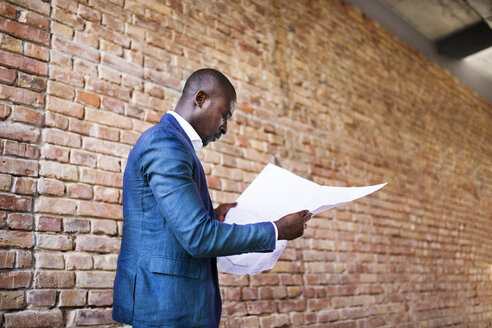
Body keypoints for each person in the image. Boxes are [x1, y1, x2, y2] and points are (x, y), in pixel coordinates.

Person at [112, 68, 312, 327]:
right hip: (162, 308)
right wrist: (276, 230)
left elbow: (172, 224)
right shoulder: (165, 143)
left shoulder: (175, 145)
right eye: (224, 115)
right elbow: (198, 237)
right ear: (201, 98)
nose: (225, 128)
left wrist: (212, 215)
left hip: (172, 306)